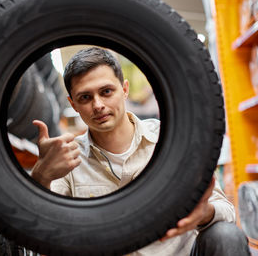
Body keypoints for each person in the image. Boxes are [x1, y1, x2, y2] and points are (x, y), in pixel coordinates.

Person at [30, 47, 250, 256]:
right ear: (73, 104)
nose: (98, 105)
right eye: (85, 97)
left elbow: (226, 211)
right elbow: (43, 235)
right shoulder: (68, 157)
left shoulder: (171, 138)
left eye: (106, 92)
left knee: (226, 236)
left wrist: (204, 213)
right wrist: (41, 175)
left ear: (124, 90)